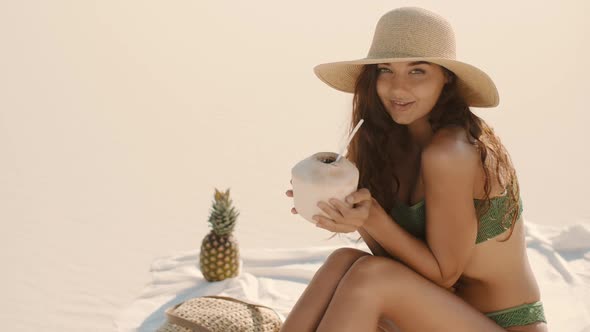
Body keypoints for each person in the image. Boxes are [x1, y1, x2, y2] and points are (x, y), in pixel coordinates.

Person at [281, 7, 548, 332]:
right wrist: (341, 209)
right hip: (431, 313)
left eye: (417, 71)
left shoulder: (450, 152)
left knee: (371, 277)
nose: (397, 88)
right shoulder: (380, 143)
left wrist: (372, 217)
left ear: (446, 76)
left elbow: (443, 275)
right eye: (385, 70)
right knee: (344, 261)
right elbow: (397, 261)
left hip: (503, 326)